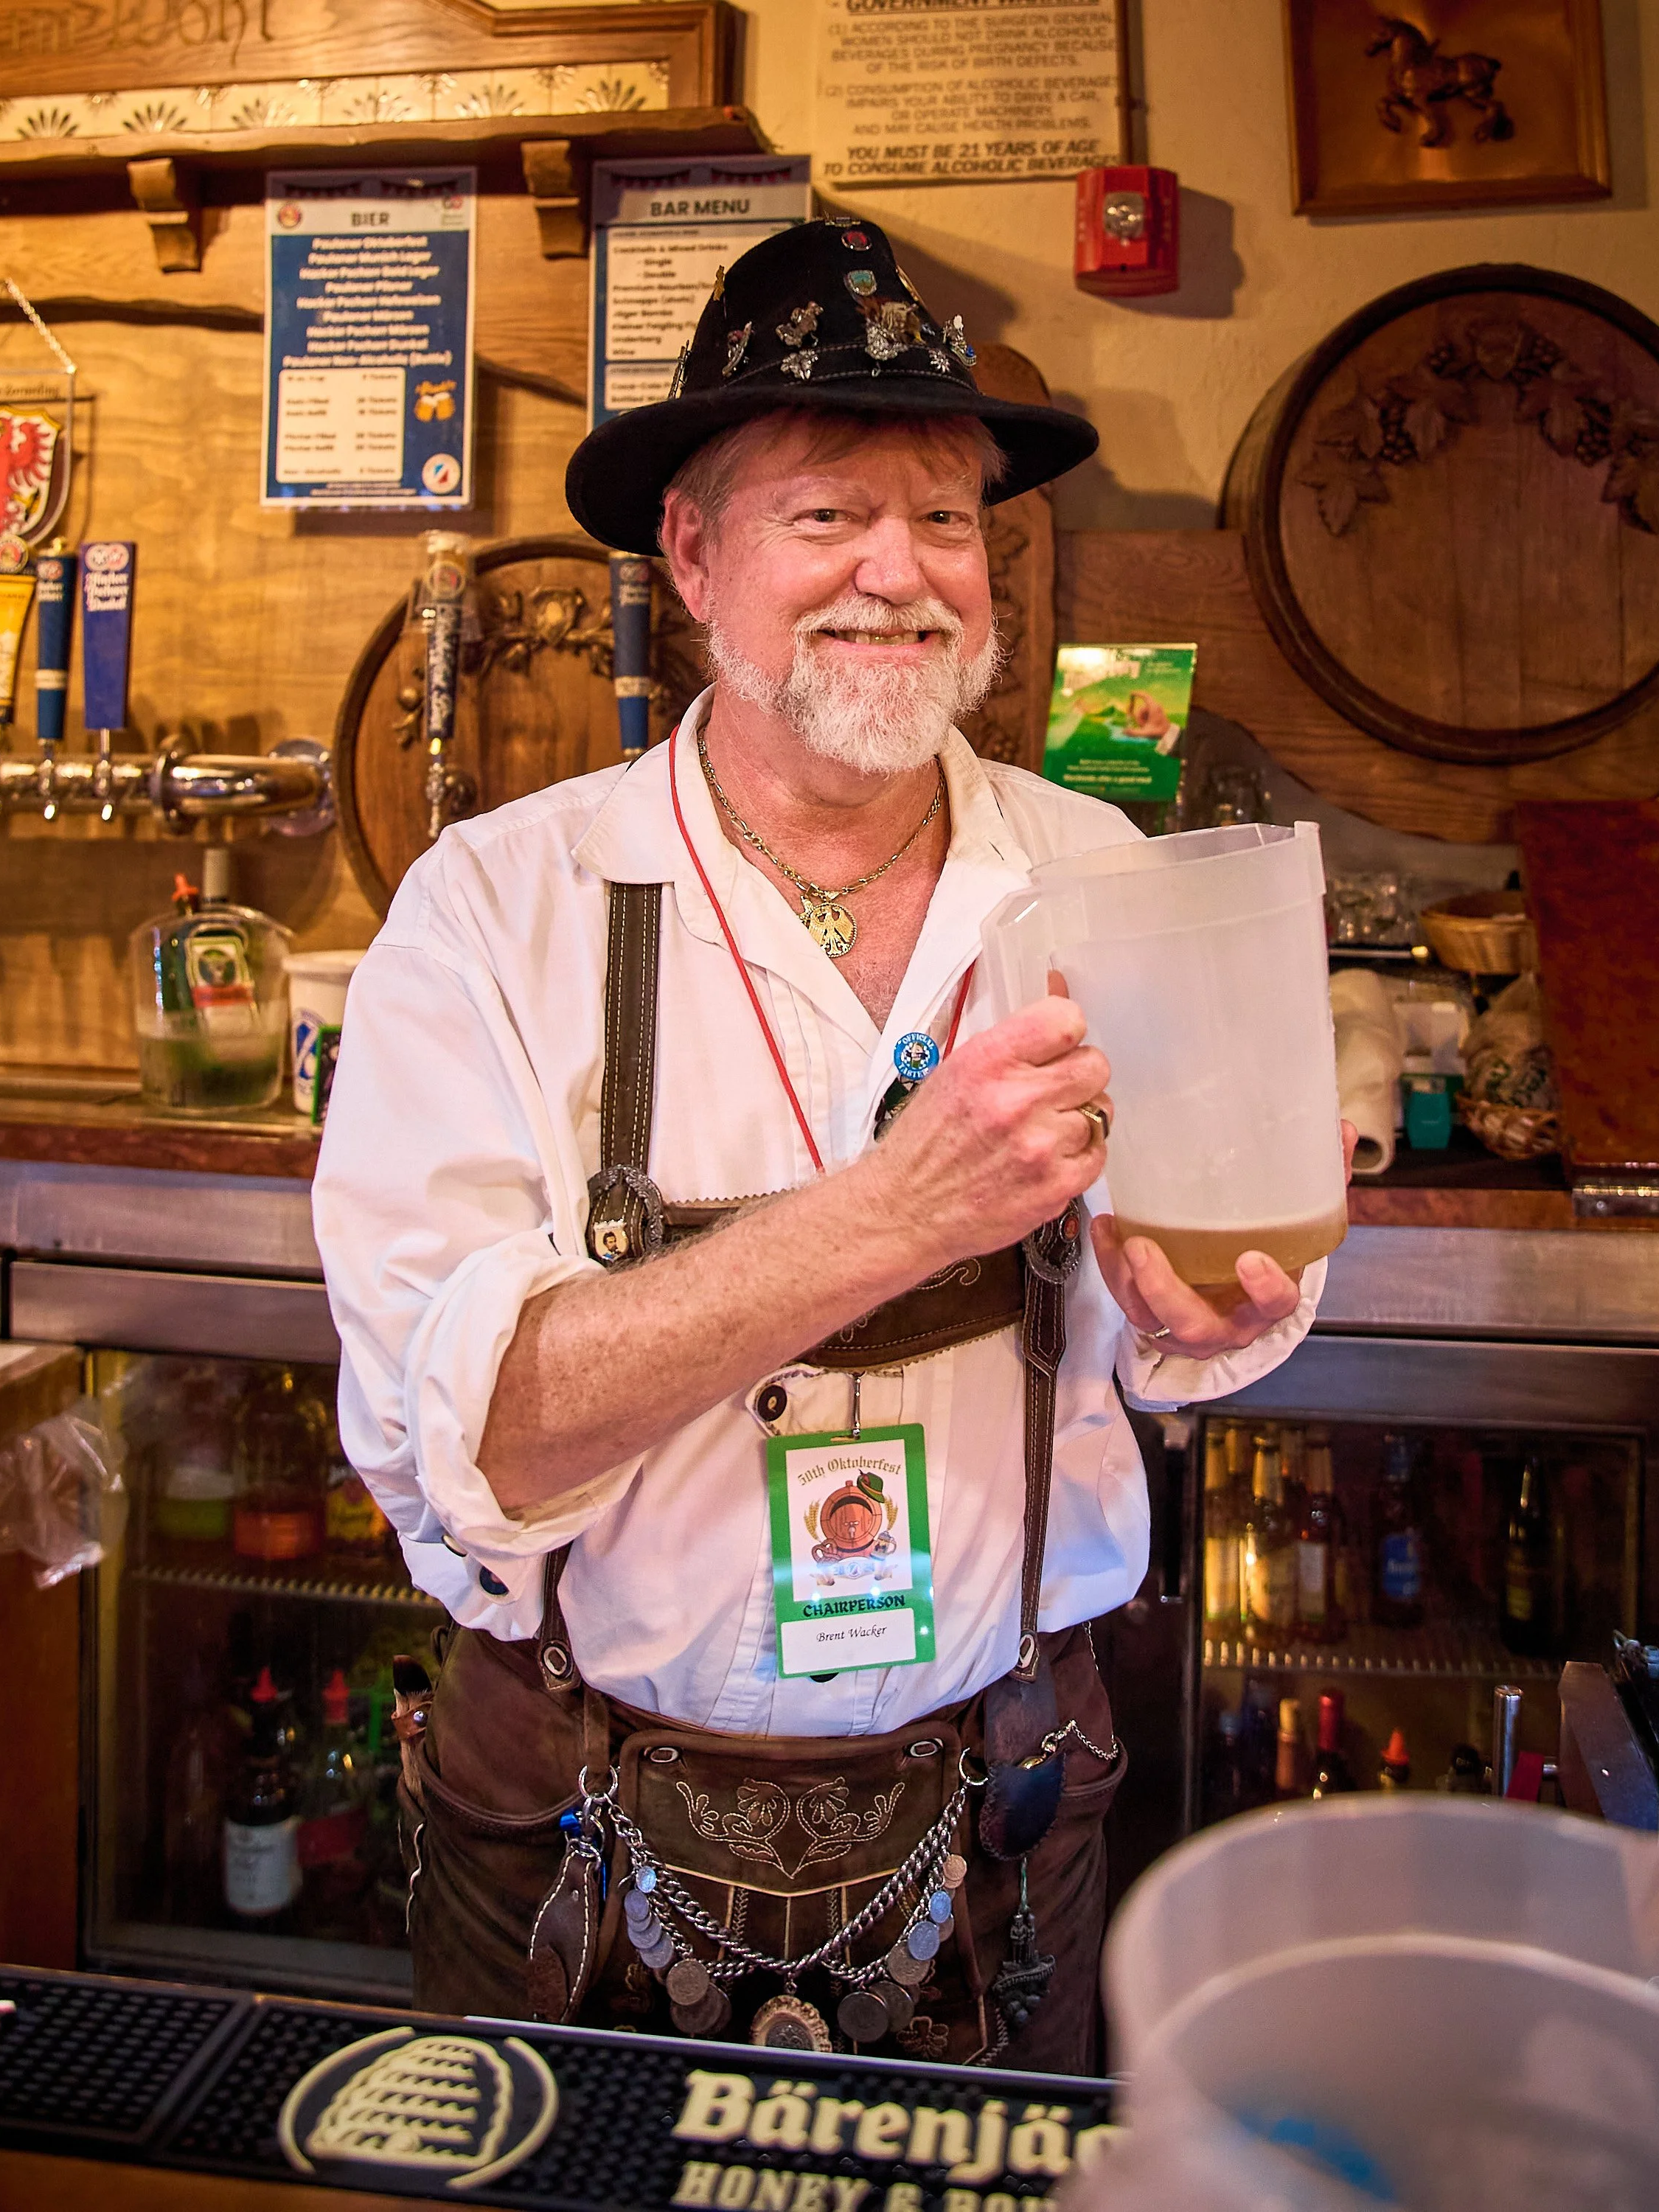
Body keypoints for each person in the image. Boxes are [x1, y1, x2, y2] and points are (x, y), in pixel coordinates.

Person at [315, 218, 1345, 2073]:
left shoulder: (1101, 879)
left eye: (948, 521)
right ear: (694, 558)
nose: (905, 573)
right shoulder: (493, 911)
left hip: (1008, 1819)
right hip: (572, 1819)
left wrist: (1205, 1312)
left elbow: (1201, 1318)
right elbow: (481, 1432)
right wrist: (892, 1211)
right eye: (827, 517)